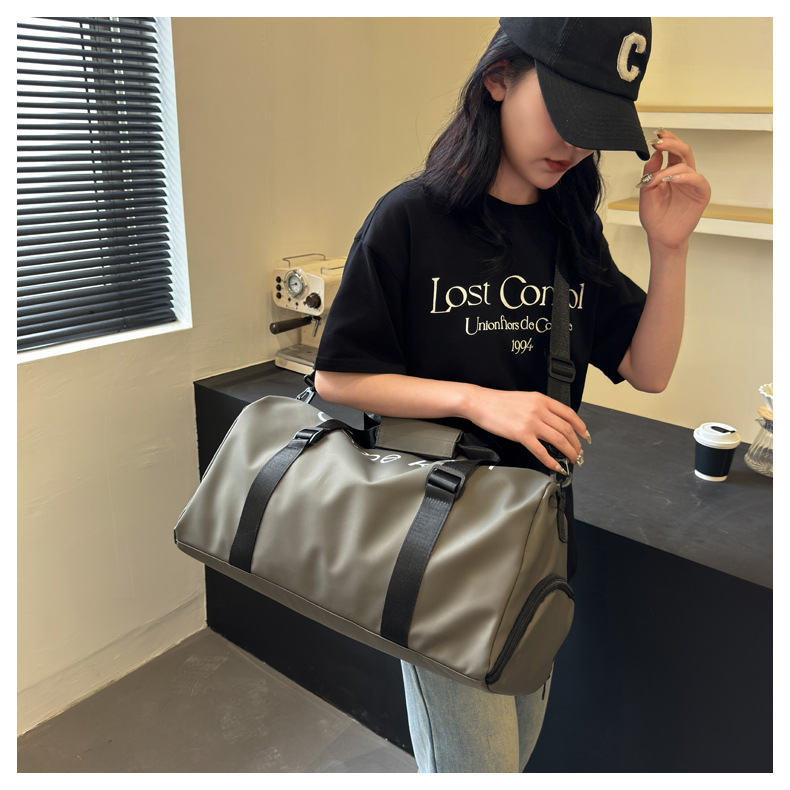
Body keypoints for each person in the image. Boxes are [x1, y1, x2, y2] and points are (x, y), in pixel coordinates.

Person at [312, 17, 711, 772]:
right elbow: (336, 376)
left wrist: (671, 247)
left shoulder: (570, 230)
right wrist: (478, 400)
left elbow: (648, 367)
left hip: (534, 543)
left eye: (595, 128)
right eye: (564, 111)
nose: (575, 145)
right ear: (498, 79)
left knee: (515, 754)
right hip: (436, 548)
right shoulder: (410, 218)